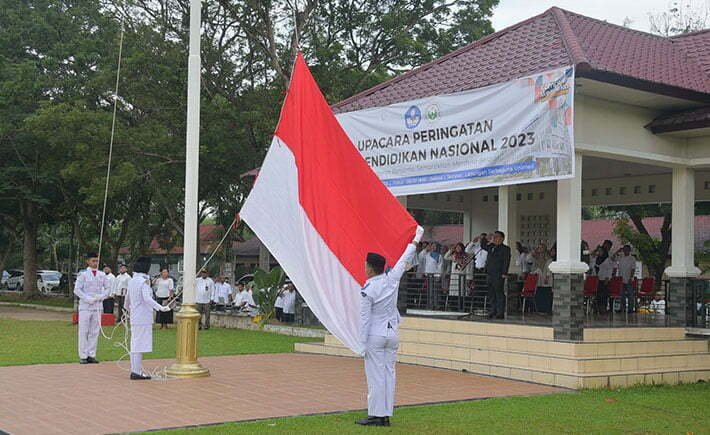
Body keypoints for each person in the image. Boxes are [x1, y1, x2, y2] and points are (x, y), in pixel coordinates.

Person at [356, 225, 423, 427]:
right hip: (392, 333)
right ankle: (385, 414)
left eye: (365, 265)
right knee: (388, 374)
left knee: (375, 376)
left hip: (375, 336)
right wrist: (417, 237)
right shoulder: (391, 279)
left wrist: (361, 344)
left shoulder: (368, 288)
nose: (364, 267)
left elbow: (364, 318)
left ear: (370, 267)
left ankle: (376, 415)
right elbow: (405, 258)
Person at [125, 257, 172, 380]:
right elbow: (147, 298)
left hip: (135, 316)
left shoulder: (132, 281)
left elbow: (126, 301)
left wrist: (130, 311)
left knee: (135, 343)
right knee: (138, 345)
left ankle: (135, 370)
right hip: (143, 317)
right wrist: (161, 308)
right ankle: (136, 371)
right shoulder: (143, 281)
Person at [73, 252, 111, 364]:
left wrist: (101, 296)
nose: (95, 263)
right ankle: (83, 355)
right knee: (84, 331)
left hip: (97, 306)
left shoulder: (102, 275)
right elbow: (77, 289)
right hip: (85, 306)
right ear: (88, 261)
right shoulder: (83, 274)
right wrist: (87, 298)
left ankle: (91, 354)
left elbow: (108, 288)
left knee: (94, 331)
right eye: (93, 261)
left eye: (97, 261)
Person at [483, 231, 511, 319]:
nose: (494, 238)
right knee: (491, 293)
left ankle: (500, 312)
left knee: (499, 293)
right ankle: (493, 310)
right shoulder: (491, 246)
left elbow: (506, 261)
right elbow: (483, 245)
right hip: (489, 273)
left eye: (496, 237)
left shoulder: (505, 248)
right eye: (494, 236)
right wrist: (486, 238)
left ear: (502, 238)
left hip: (498, 274)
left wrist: (504, 272)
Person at [615, 245, 637, 313]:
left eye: (627, 249)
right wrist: (618, 251)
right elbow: (613, 257)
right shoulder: (621, 257)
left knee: (630, 294)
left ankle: (630, 309)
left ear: (629, 250)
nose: (625, 251)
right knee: (622, 295)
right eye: (624, 249)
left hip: (628, 278)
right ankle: (622, 308)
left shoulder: (632, 258)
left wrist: (631, 277)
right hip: (621, 278)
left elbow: (633, 269)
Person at [596, 248, 615, 313]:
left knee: (604, 294)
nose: (599, 253)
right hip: (599, 278)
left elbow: (609, 269)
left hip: (605, 279)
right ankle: (599, 307)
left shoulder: (607, 260)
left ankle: (604, 307)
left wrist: (607, 278)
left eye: (600, 251)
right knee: (599, 294)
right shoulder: (598, 259)